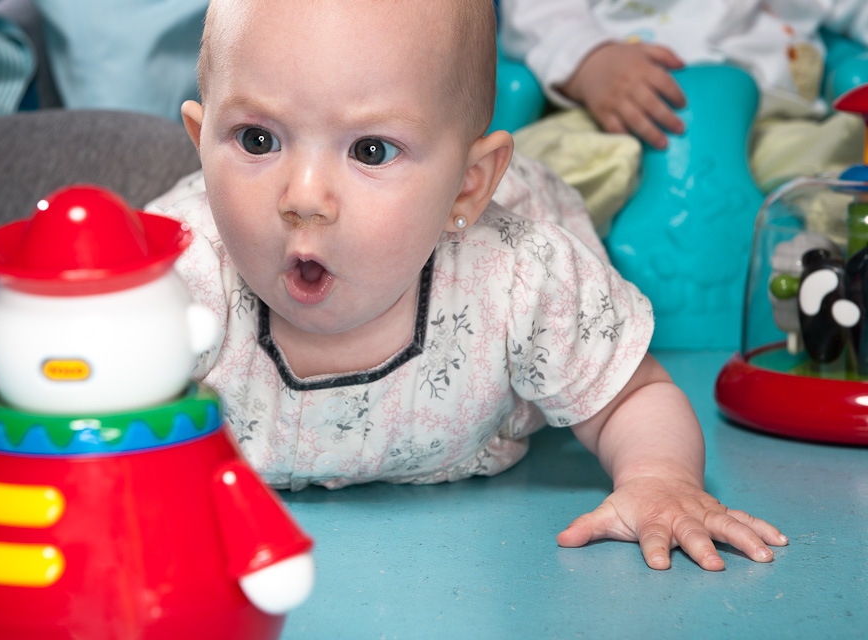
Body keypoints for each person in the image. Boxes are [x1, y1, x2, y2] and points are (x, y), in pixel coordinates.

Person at [148, 0, 787, 572]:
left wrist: (659, 477)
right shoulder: (175, 281)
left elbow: (630, 394)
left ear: (467, 185)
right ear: (203, 146)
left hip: (501, 215)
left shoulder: (521, 281)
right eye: (257, 139)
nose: (305, 197)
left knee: (575, 213)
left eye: (371, 151)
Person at [499, 0, 868, 150]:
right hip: (619, 126)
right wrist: (590, 59)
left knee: (838, 163)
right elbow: (535, 14)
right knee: (545, 163)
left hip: (773, 124)